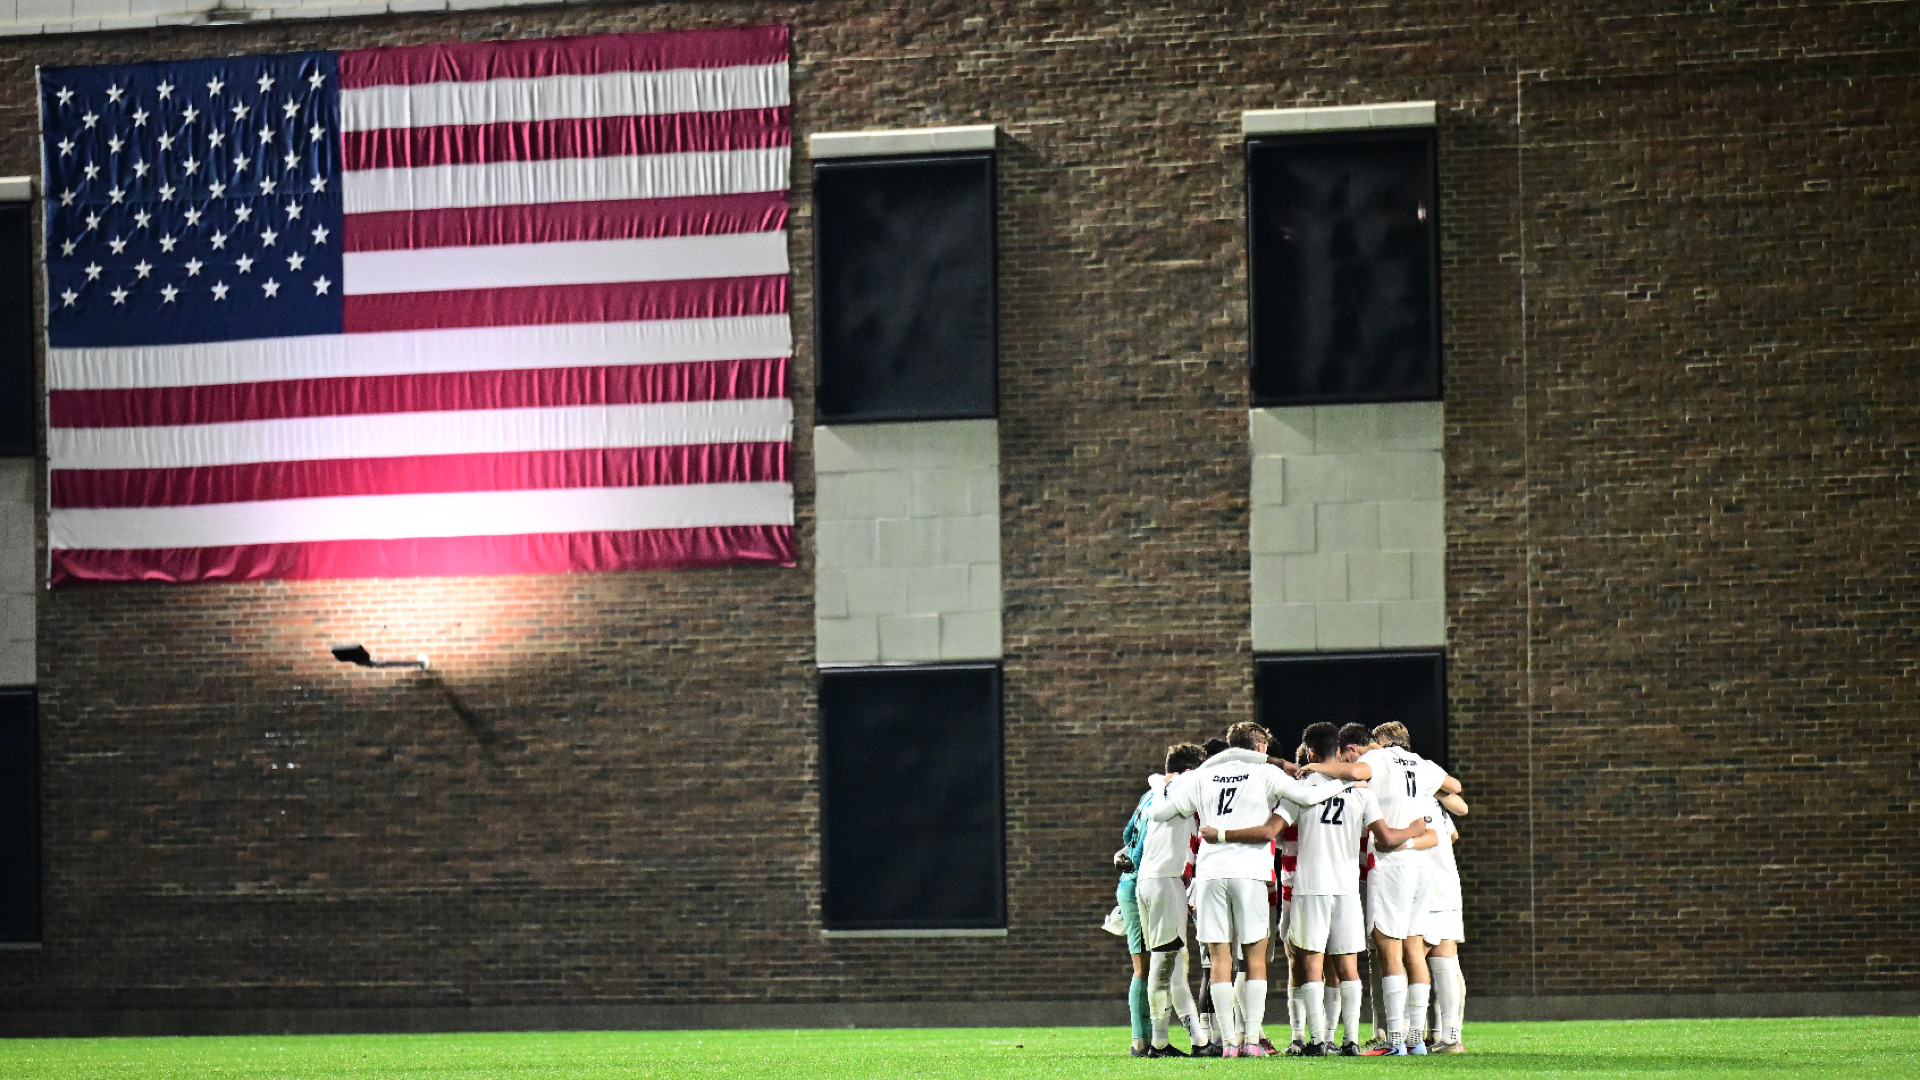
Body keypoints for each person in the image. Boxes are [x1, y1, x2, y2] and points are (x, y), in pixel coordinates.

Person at [1204, 722, 1428, 1055]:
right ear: (1339, 751)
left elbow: (1272, 832)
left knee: (1309, 964)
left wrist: (1222, 835)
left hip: (1307, 888)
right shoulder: (1361, 792)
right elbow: (1385, 838)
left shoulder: (1299, 789)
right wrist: (1412, 828)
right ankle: (1350, 1039)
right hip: (1347, 890)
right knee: (1348, 966)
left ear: (1310, 753)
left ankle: (1315, 1039)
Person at [1149, 722, 1349, 1057]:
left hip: (1211, 874)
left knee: (1219, 959)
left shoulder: (1201, 776)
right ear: (1259, 748)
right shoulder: (1264, 775)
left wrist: (1160, 785)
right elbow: (1310, 795)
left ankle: (1228, 1043)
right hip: (1250, 873)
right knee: (1255, 959)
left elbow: (1160, 812)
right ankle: (1252, 1041)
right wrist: (1345, 779)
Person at [1138, 742, 1211, 1056]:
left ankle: (1199, 1041)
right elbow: (1164, 813)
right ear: (1193, 768)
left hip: (1150, 878)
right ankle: (1159, 1042)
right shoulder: (1184, 786)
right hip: (1165, 879)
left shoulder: (1157, 788)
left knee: (1176, 961)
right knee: (1165, 961)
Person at [1114, 768, 1153, 1056]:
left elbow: (1128, 835)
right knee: (1156, 965)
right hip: (1145, 884)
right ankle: (1147, 1039)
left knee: (1145, 966)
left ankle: (1143, 1039)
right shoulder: (1168, 798)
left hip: (1127, 884)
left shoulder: (1147, 797)